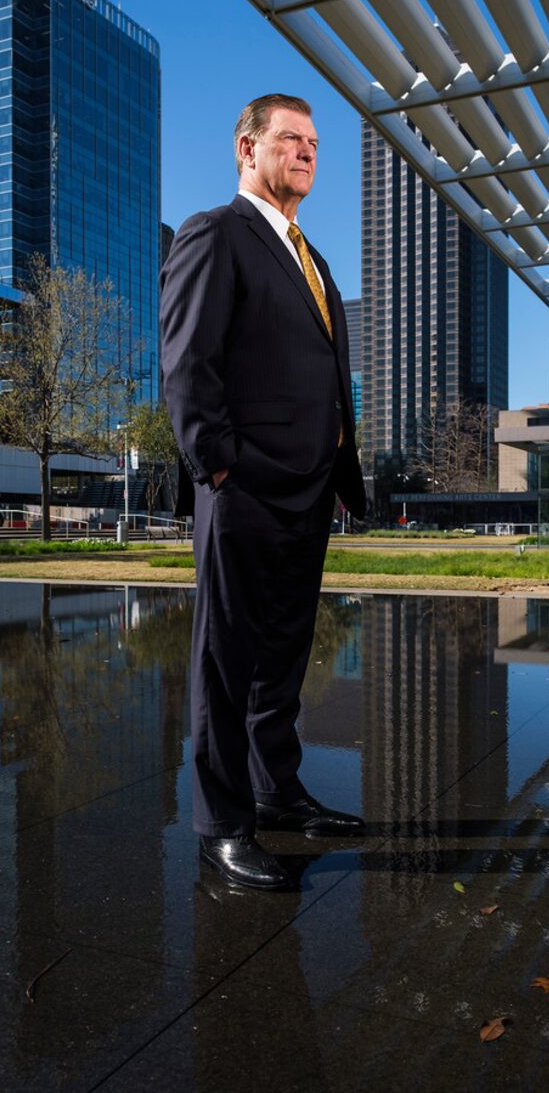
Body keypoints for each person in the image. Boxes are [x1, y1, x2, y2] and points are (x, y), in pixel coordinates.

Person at [160, 93, 367, 891]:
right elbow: (188, 362)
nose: (308, 152)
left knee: (281, 660)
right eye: (292, 139)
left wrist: (339, 471)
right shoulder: (215, 233)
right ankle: (222, 826)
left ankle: (277, 794)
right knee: (226, 660)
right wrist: (219, 466)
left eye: (314, 142)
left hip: (308, 493)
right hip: (242, 490)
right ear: (248, 148)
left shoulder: (314, 261)